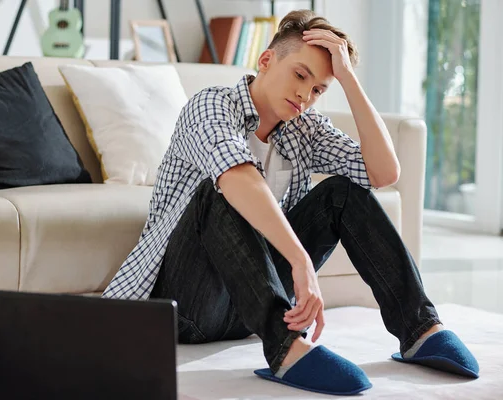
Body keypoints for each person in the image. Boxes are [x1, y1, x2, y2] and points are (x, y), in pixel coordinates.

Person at [102, 9, 479, 395]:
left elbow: (383, 173)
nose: (305, 94)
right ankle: (286, 350)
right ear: (266, 60)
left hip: (252, 300)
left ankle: (419, 329)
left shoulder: (303, 128)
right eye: (300, 75)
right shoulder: (211, 105)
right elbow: (238, 179)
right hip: (189, 306)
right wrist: (300, 260)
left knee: (342, 192)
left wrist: (348, 80)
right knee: (216, 192)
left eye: (318, 89)